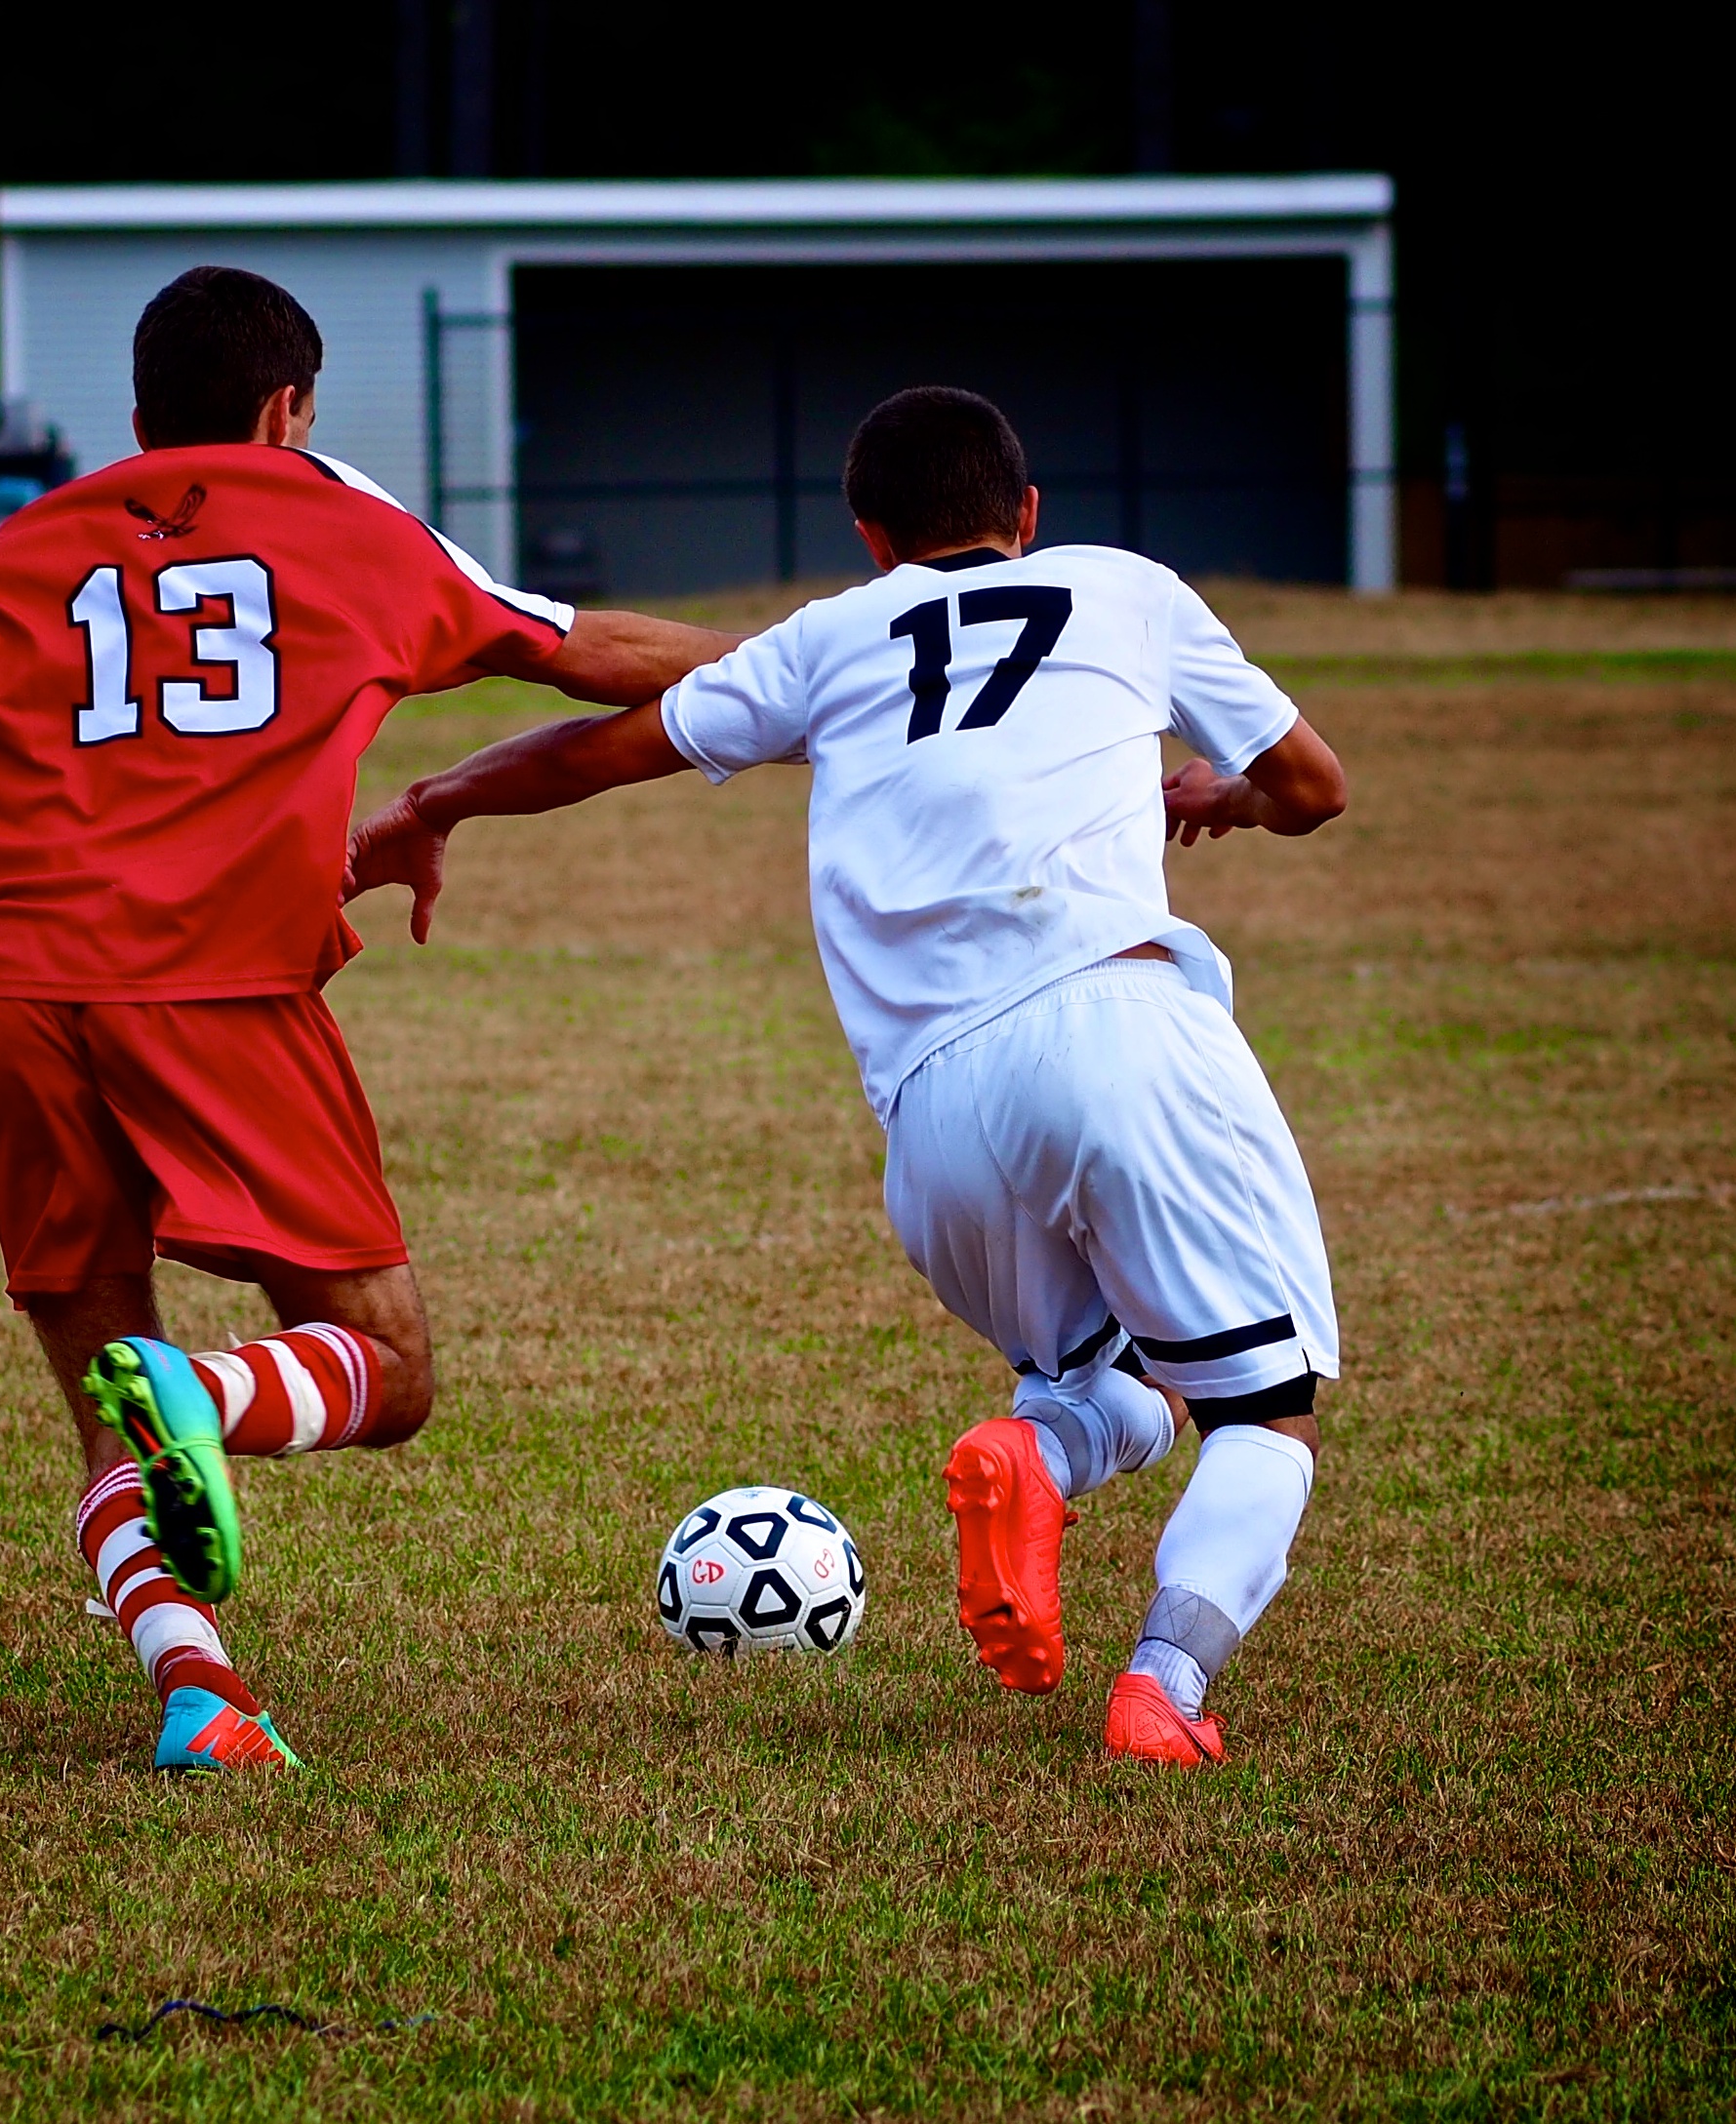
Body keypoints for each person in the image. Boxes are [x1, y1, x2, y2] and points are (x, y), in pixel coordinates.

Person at [344, 386, 1350, 1770]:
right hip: (1122, 1026)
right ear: (1027, 512)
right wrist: (1221, 796)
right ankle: (1164, 1683)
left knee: (1110, 1382)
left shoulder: (829, 637)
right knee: (1262, 1409)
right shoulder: (1127, 589)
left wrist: (429, 801)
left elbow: (600, 752)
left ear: (871, 537)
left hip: (935, 1117)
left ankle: (1039, 1455)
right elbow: (1313, 785)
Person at [0, 266, 738, 1774]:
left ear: (138, 415)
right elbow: (583, 650)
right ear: (288, 410)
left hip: (10, 993)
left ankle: (200, 1697)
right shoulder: (343, 524)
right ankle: (206, 1394)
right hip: (206, 989)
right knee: (384, 1371)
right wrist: (820, 667)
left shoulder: (2, 561)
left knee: (102, 1384)